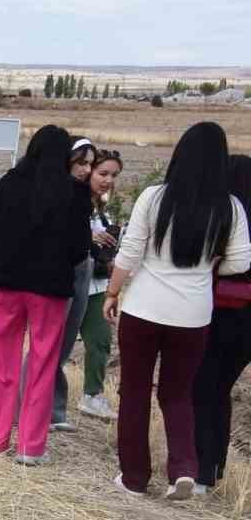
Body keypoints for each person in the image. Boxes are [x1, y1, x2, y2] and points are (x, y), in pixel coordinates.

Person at [105, 122, 251, 498]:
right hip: (193, 315)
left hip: (143, 309)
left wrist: (112, 292)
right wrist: (209, 263)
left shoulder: (154, 197)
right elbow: (240, 262)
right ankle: (185, 468)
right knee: (178, 394)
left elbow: (130, 252)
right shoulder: (230, 207)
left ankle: (134, 478)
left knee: (135, 391)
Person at [0, 125, 90, 465]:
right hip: (50, 291)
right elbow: (79, 248)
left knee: (3, 361)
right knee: (43, 365)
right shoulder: (73, 193)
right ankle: (30, 447)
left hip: (8, 284)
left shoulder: (9, 183)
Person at [194, 154, 251, 491]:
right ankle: (215, 467)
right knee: (222, 390)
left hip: (220, 312)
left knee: (202, 389)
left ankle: (201, 471)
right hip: (247, 326)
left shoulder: (227, 219)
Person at [45, 138, 98, 430]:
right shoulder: (54, 192)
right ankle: (34, 406)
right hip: (59, 271)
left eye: (91, 164)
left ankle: (53, 409)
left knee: (65, 343)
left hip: (83, 268)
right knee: (48, 344)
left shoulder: (88, 197)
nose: (86, 170)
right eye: (81, 163)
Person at [76, 151, 125, 421]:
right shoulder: (74, 201)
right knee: (58, 344)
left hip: (97, 283)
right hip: (73, 283)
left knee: (100, 341)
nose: (108, 180)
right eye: (103, 173)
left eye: (113, 175)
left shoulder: (102, 208)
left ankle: (92, 395)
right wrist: (90, 235)